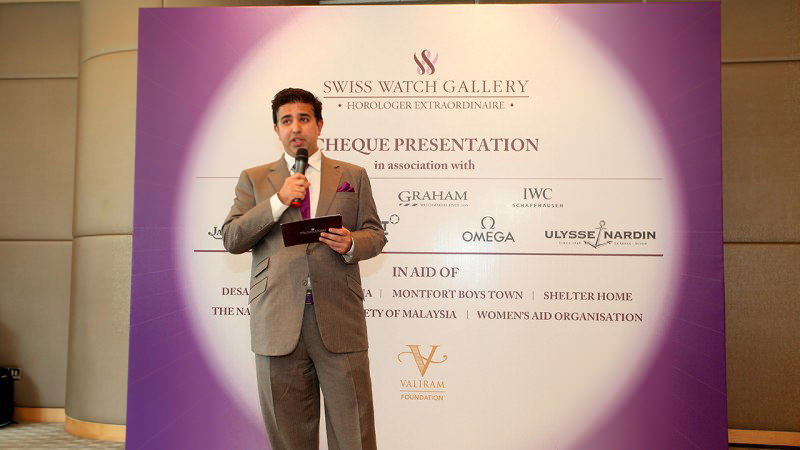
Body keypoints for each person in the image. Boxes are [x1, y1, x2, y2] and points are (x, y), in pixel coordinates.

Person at [221, 88, 385, 450]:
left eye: (304, 118)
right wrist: (278, 201)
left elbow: (375, 234)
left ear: (319, 125)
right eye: (286, 120)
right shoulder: (254, 179)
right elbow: (232, 238)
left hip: (338, 319)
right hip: (278, 321)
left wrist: (352, 243)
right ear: (276, 130)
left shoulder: (353, 175)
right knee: (289, 437)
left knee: (354, 433)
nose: (296, 127)